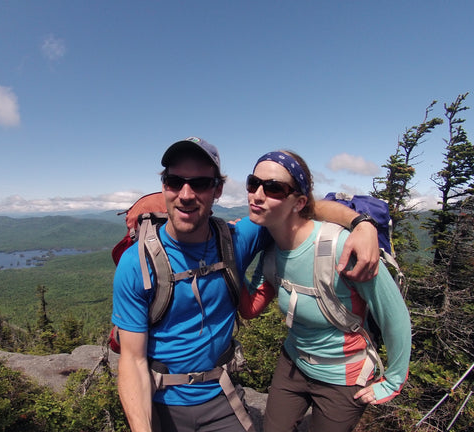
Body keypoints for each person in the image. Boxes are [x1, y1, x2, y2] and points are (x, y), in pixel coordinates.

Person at [111, 137, 380, 432]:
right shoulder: (137, 263)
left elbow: (303, 209)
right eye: (175, 181)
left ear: (218, 190)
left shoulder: (236, 240)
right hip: (162, 402)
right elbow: (133, 360)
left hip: (221, 396)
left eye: (200, 183)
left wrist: (362, 223)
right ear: (164, 186)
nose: (186, 194)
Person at [241, 150, 411, 432]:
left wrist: (392, 381)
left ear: (300, 202)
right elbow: (250, 308)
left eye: (273, 188)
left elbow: (394, 315)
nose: (257, 195)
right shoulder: (271, 250)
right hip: (294, 361)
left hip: (343, 375)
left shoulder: (342, 247)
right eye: (252, 183)